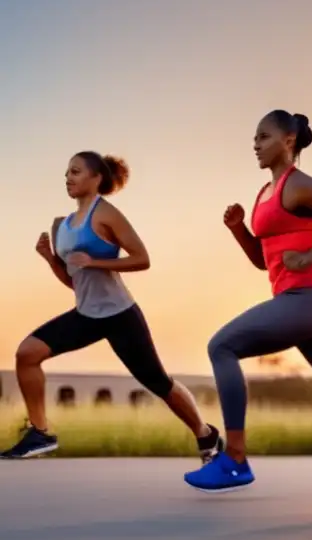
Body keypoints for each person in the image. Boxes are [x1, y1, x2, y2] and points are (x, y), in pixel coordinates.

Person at [184, 110, 312, 493]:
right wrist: (238, 229)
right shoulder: (265, 193)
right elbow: (263, 261)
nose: (255, 145)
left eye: (263, 137)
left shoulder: (300, 184)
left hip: (308, 298)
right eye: (254, 139)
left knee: (221, 345)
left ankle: (235, 460)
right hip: (300, 302)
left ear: (288, 140)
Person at [1, 152, 223, 462]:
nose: (68, 177)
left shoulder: (105, 214)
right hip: (86, 314)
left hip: (120, 314)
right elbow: (73, 282)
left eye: (76, 172)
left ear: (97, 179)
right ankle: (40, 433)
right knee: (27, 354)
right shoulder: (60, 226)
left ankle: (205, 433)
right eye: (67, 172)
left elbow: (142, 259)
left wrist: (95, 261)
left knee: (157, 381)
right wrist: (49, 258)